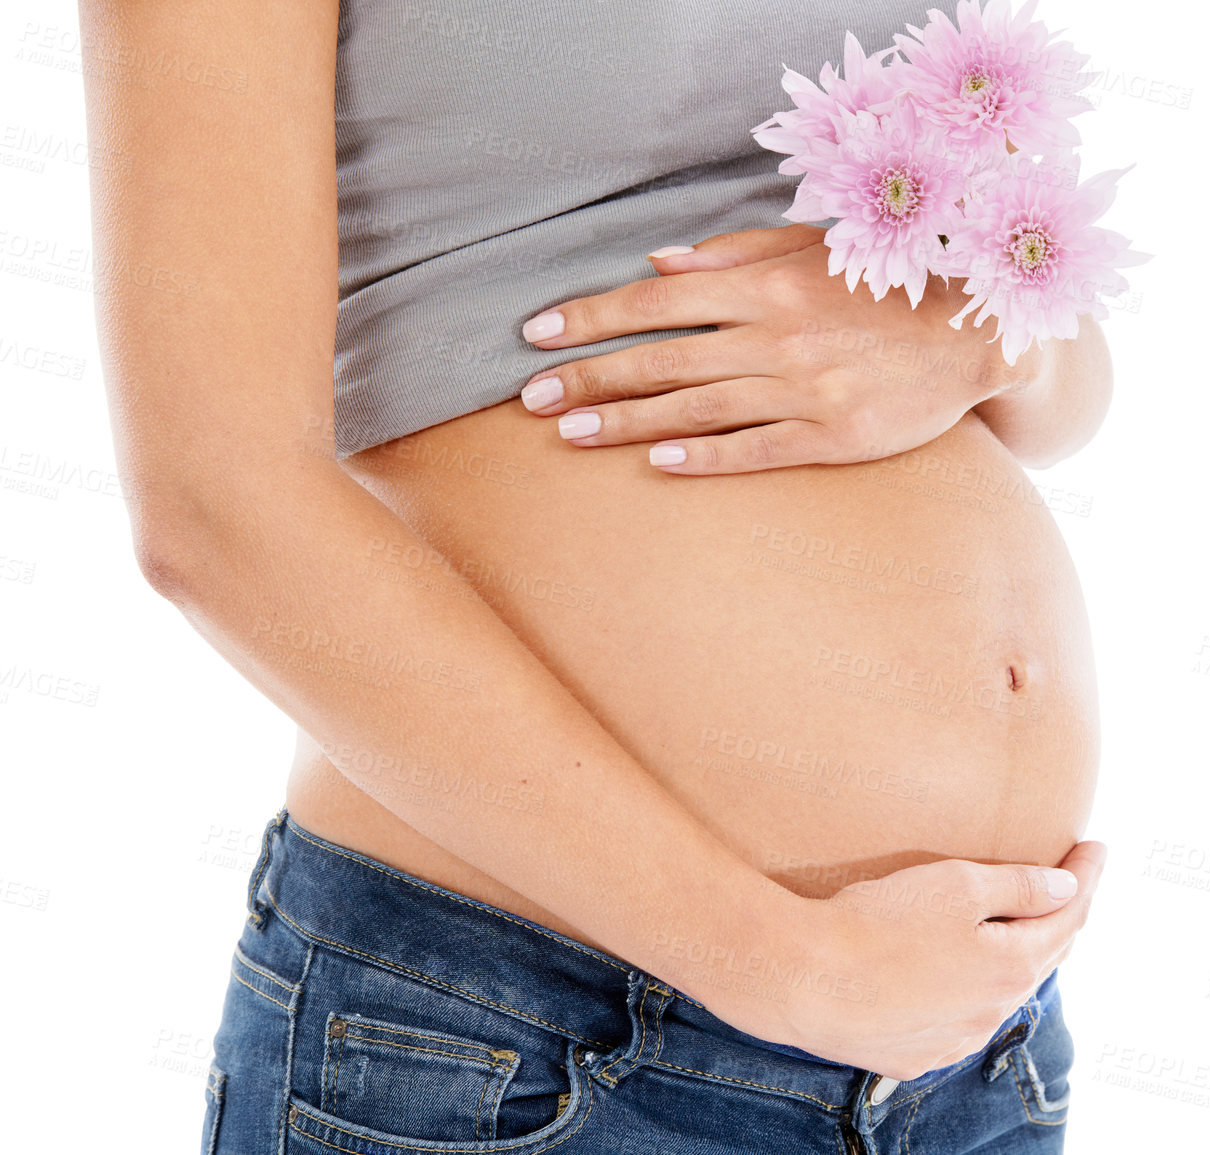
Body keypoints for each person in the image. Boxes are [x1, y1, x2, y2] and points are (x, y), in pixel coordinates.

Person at [78, 0, 1117, 1150]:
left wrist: (975, 339)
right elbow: (217, 508)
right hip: (525, 1048)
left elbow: (1062, 374)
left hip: (970, 1063)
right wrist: (774, 962)